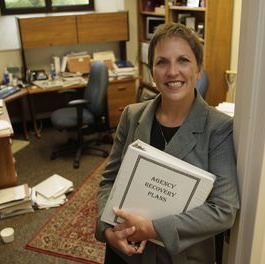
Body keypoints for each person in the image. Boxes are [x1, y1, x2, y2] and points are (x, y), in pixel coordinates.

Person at [95, 22, 240, 264]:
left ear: (198, 70)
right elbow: (109, 181)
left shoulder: (219, 127)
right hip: (124, 252)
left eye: (183, 60)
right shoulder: (131, 116)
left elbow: (224, 210)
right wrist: (107, 228)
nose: (172, 72)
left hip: (179, 257)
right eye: (162, 62)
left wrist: (153, 229)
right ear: (152, 71)